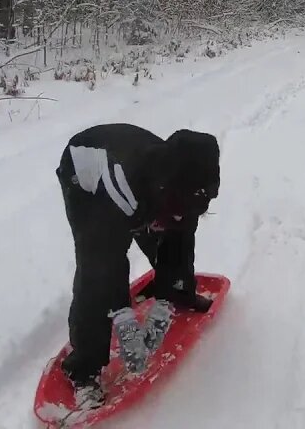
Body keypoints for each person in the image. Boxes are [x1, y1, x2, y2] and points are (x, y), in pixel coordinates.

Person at [55, 123, 221, 406]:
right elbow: (108, 261)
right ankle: (83, 370)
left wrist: (167, 301)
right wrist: (124, 320)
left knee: (169, 233)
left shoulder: (189, 180)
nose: (190, 213)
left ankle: (179, 292)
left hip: (147, 185)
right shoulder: (120, 187)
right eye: (184, 205)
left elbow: (179, 238)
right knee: (97, 270)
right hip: (85, 176)